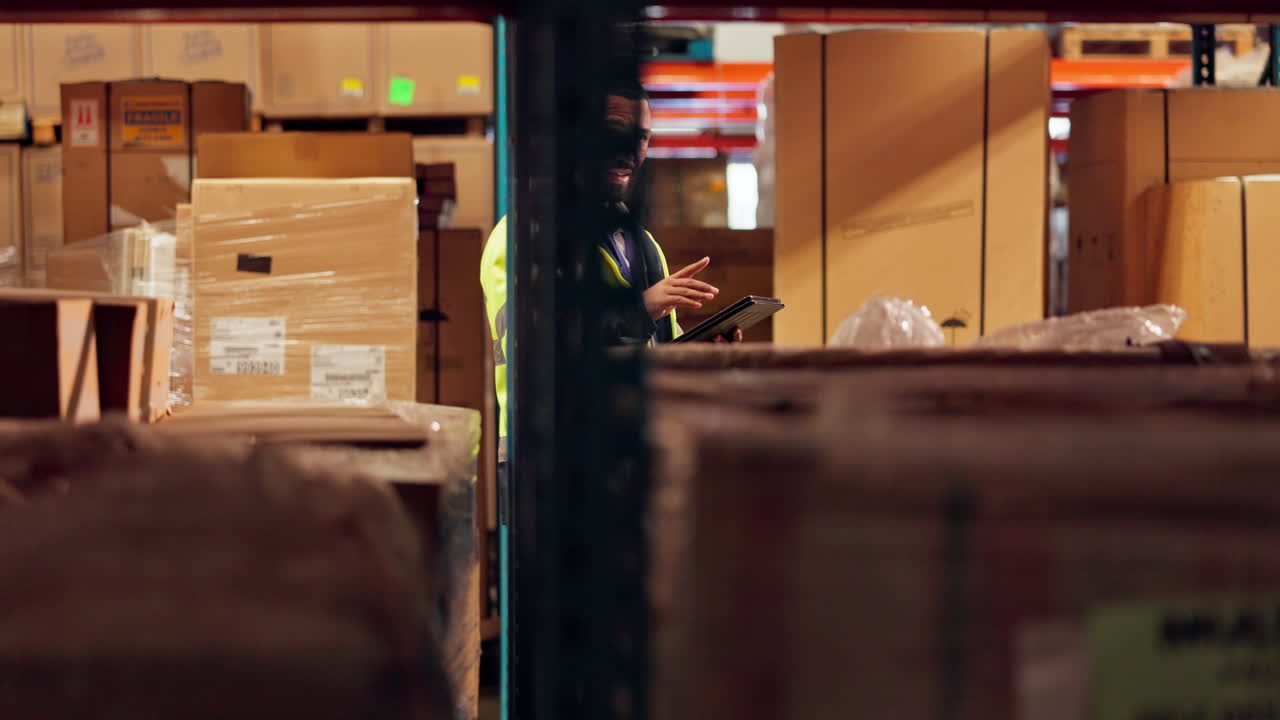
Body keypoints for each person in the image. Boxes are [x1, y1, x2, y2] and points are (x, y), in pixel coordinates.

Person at [480, 75, 742, 463]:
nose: (631, 152)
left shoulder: (642, 244)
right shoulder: (524, 237)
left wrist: (700, 354)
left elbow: (656, 350)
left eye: (643, 138)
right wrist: (637, 311)